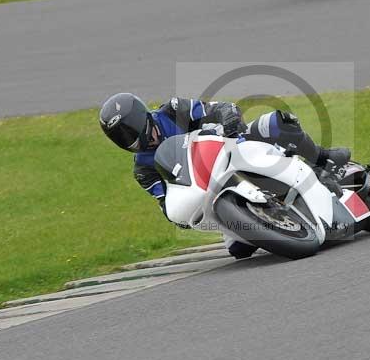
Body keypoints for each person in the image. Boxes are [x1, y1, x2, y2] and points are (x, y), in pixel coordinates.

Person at [99, 93, 351, 259]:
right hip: (212, 193)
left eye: (128, 131)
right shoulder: (143, 169)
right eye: (121, 137)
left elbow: (220, 108)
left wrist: (228, 121)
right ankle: (274, 217)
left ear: (140, 118)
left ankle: (322, 159)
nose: (129, 139)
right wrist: (178, 214)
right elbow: (164, 201)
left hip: (235, 148)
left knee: (277, 122)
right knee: (240, 250)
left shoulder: (172, 111)